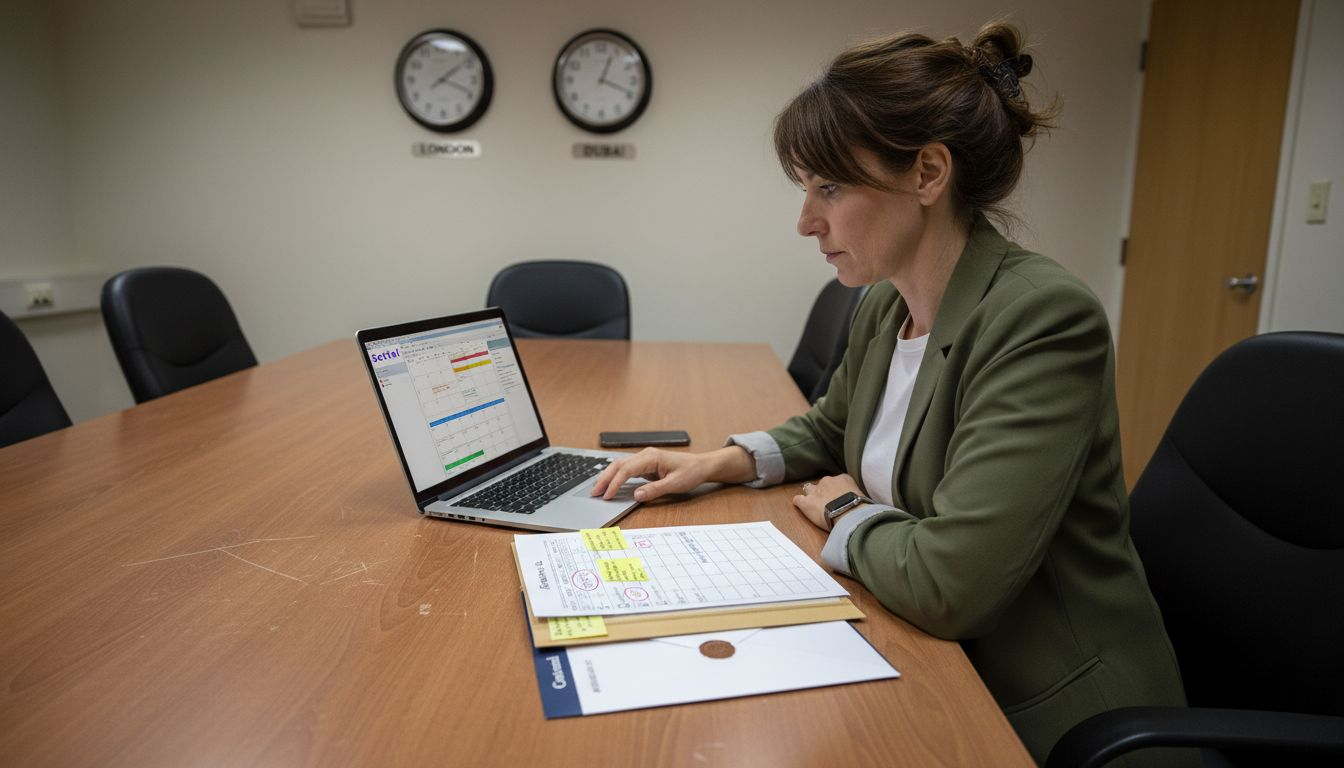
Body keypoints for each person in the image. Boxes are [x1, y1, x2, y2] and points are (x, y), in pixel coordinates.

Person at [591, 21, 1189, 766]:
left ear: (927, 174)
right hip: (925, 650)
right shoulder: (885, 302)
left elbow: (954, 582)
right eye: (806, 189)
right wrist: (718, 462)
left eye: (830, 187)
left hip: (1046, 713)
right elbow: (830, 428)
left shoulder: (1042, 318)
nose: (806, 221)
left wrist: (846, 512)